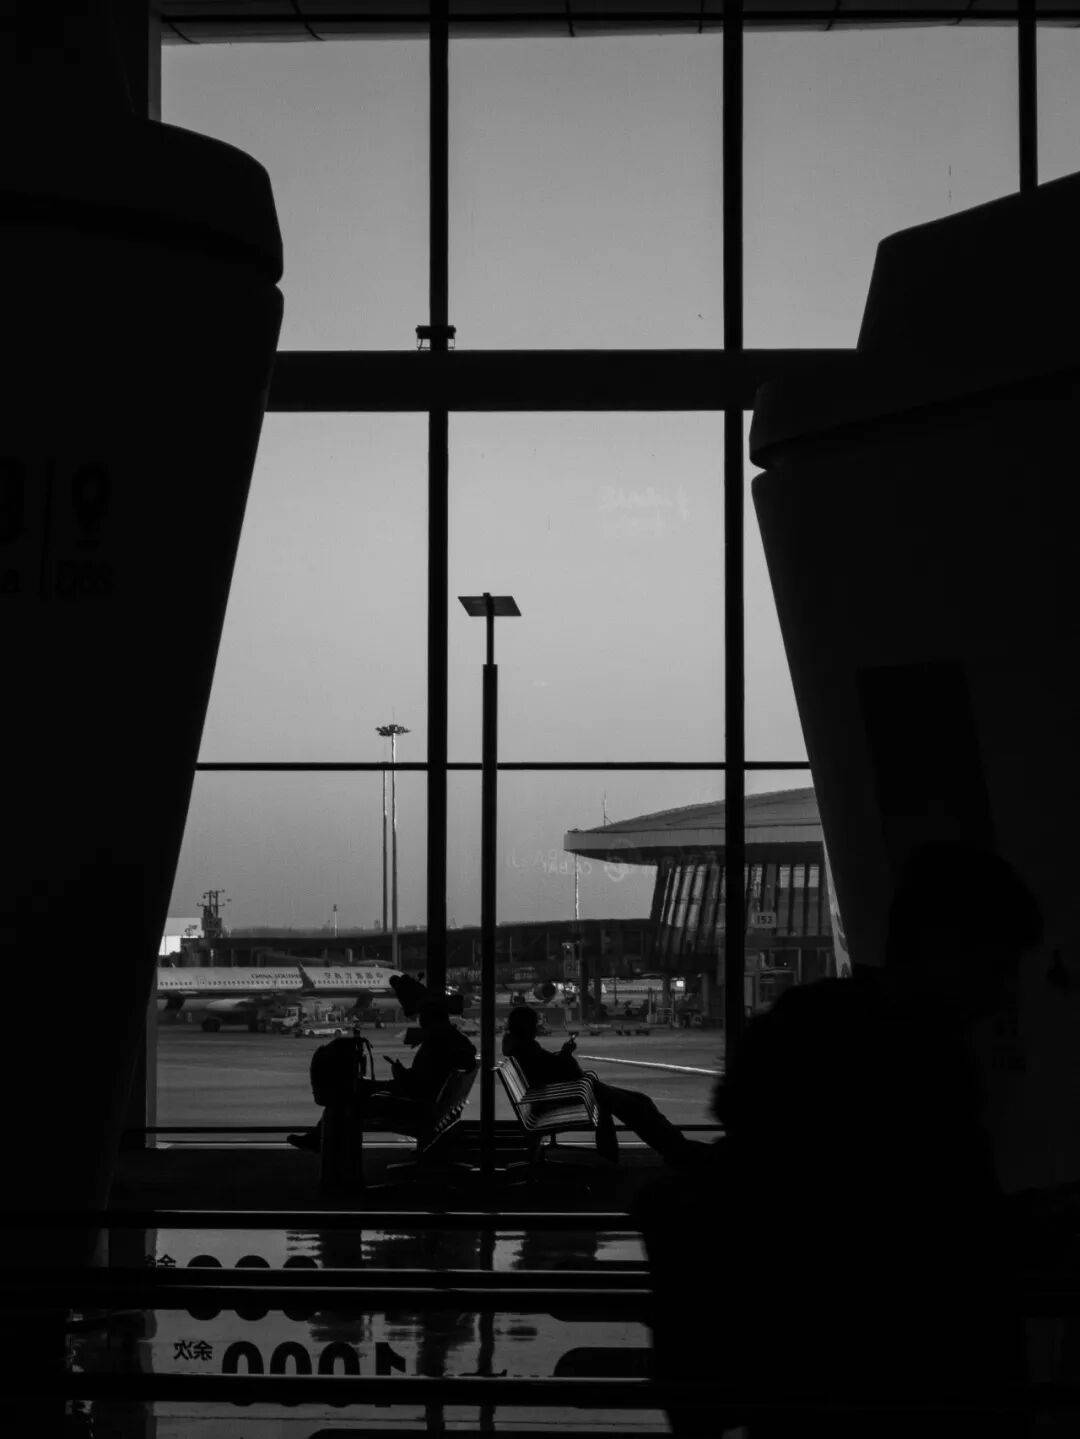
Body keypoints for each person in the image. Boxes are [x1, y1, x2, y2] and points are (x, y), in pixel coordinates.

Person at [637, 840, 1043, 1438]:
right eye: (997, 965)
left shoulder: (818, 1038)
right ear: (947, 950)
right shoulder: (919, 1067)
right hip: (882, 1387)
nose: (1006, 990)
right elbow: (931, 1240)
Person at [501, 1005, 706, 1170]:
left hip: (571, 1091)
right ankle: (675, 1149)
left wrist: (564, 1056)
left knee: (637, 1102)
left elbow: (548, 1068)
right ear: (526, 1026)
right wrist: (567, 1056)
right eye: (534, 1023)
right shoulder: (527, 1048)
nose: (537, 1027)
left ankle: (672, 1148)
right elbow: (555, 1069)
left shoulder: (520, 1047)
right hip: (573, 1093)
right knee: (636, 1104)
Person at [289, 991, 476, 1152]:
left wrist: (399, 1073)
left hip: (418, 1107)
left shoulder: (436, 1044)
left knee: (351, 1097)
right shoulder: (454, 1041)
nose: (420, 1021)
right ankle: (320, 1138)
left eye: (422, 1016)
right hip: (428, 1105)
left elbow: (418, 1087)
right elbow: (427, 1081)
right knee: (359, 1089)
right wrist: (400, 1076)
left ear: (430, 1018)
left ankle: (325, 1144)